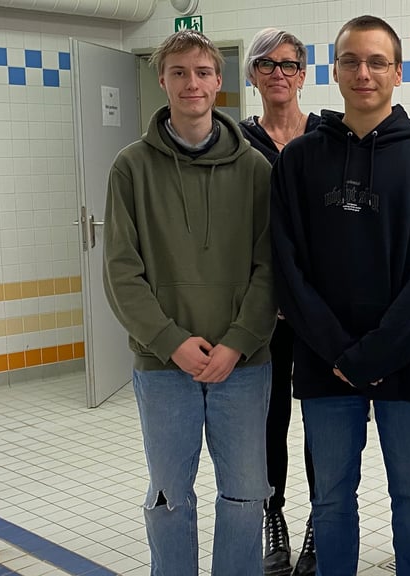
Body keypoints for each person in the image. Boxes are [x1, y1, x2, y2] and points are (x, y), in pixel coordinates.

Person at [270, 15, 410, 576]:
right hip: (327, 365)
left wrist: (375, 355)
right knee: (329, 502)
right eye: (351, 60)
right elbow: (287, 268)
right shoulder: (299, 160)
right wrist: (342, 356)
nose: (363, 72)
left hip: (406, 362)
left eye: (377, 61)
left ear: (397, 72)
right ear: (334, 70)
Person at [102, 29, 277, 576]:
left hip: (242, 366)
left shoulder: (256, 170)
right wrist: (172, 342)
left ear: (219, 82)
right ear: (162, 82)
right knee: (169, 495)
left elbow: (269, 270)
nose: (191, 84)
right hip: (162, 366)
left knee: (247, 496)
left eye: (202, 73)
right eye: (179, 73)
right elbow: (121, 273)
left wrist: (237, 343)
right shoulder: (130, 168)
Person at [239, 27, 321, 576]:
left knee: (323, 418)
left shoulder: (327, 136)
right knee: (268, 421)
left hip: (319, 308)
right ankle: (274, 515)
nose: (278, 74)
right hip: (262, 309)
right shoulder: (238, 141)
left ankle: (323, 517)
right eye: (266, 65)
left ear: (304, 73)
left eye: (289, 65)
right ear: (251, 75)